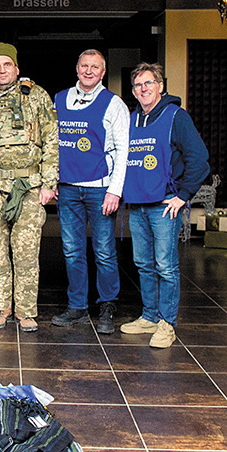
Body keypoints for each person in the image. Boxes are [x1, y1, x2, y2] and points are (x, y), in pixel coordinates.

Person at [0, 42, 58, 332]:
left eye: (7, 65)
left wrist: (49, 183)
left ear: (16, 68)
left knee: (27, 252)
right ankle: (1, 307)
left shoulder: (36, 96)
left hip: (29, 186)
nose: (2, 70)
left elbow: (52, 140)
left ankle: (26, 310)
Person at [120, 63, 209, 348]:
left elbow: (199, 159)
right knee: (144, 265)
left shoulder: (176, 117)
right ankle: (149, 316)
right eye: (137, 86)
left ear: (160, 85)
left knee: (166, 267)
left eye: (148, 83)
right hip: (137, 206)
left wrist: (183, 196)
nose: (143, 89)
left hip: (164, 206)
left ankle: (167, 323)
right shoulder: (131, 119)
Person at [51, 49, 130, 335]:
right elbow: (49, 144)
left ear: (103, 71)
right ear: (76, 68)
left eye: (94, 67)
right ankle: (77, 307)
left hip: (100, 190)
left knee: (105, 252)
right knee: (72, 251)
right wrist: (51, 181)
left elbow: (123, 151)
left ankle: (107, 304)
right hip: (68, 188)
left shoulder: (114, 104)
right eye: (84, 65)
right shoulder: (59, 99)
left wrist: (115, 191)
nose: (88, 71)